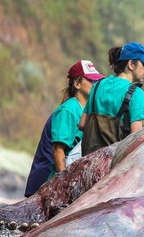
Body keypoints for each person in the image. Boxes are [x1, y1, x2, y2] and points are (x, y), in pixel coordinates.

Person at [24, 60, 105, 197]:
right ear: (77, 84)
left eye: (97, 81)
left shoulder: (85, 110)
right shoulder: (68, 110)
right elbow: (58, 151)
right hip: (47, 183)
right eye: (91, 80)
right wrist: (64, 187)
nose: (95, 84)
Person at [79, 42, 144, 156]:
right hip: (114, 163)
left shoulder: (97, 86)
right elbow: (136, 138)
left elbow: (82, 124)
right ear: (131, 64)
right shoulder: (136, 94)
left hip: (90, 158)